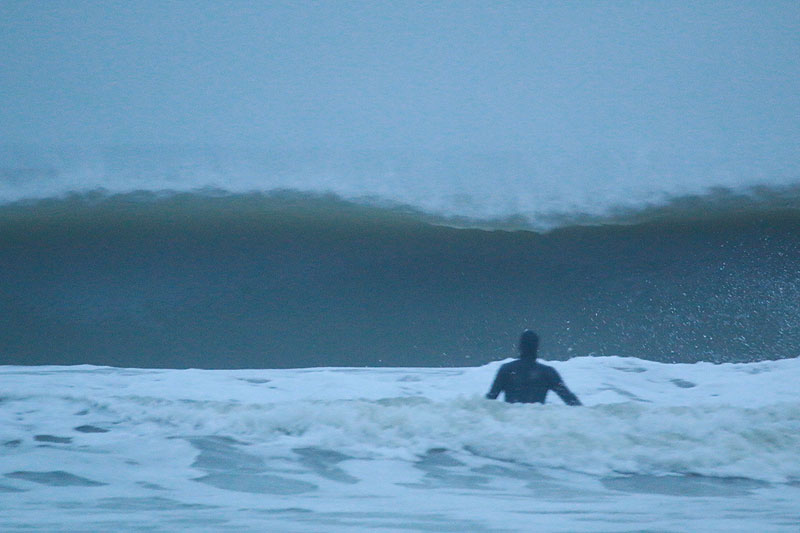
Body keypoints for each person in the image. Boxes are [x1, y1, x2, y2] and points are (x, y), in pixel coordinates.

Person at [486, 330, 581, 405]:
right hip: (536, 421)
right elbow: (571, 401)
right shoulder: (547, 372)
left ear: (520, 347)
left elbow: (488, 402)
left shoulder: (506, 370)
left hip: (512, 420)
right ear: (537, 348)